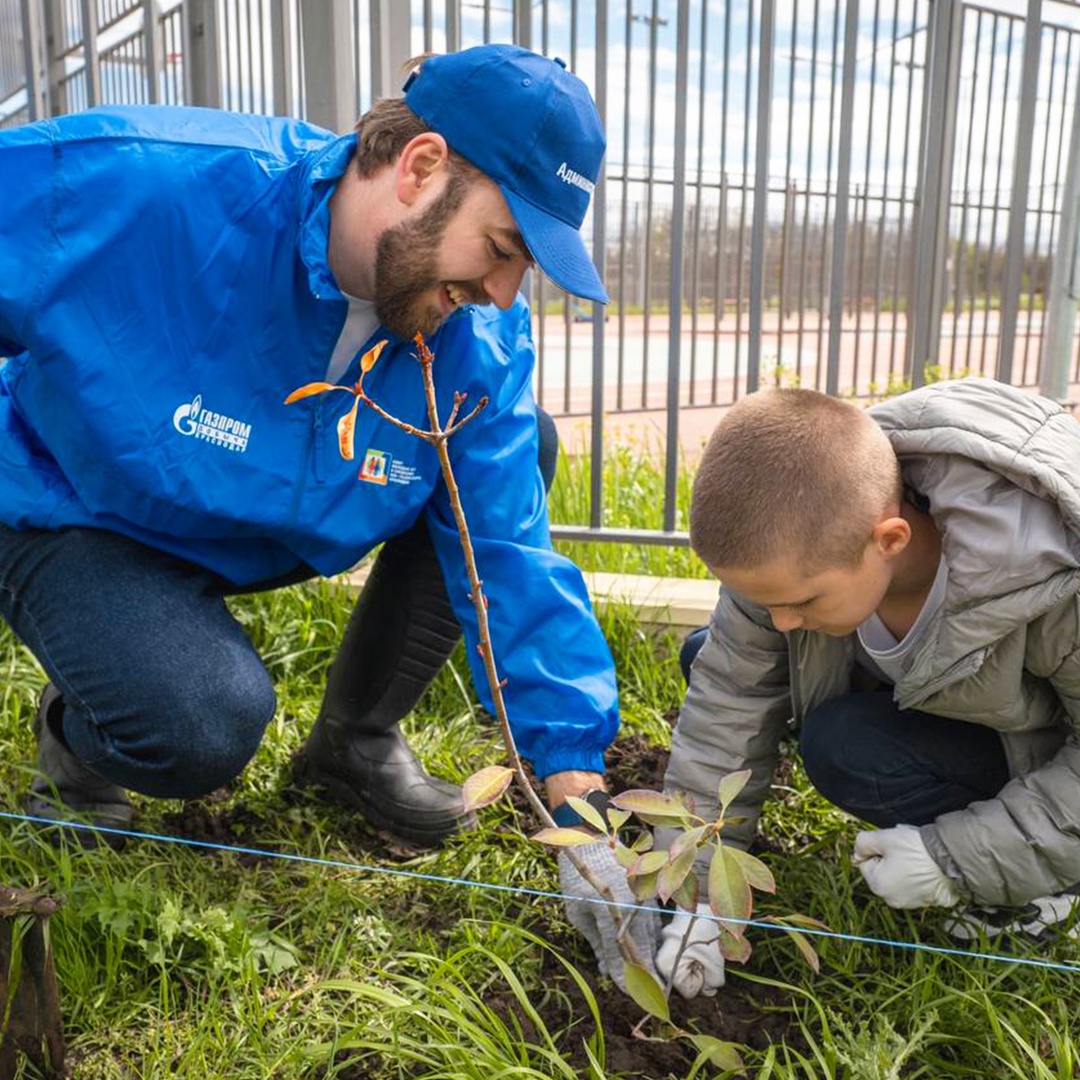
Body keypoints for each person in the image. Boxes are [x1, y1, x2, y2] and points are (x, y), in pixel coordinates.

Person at [0, 43, 654, 986]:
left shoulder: (474, 341)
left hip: (261, 526)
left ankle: (352, 747)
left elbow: (504, 554)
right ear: (420, 166)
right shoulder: (141, 186)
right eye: (503, 249)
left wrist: (578, 802)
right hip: (77, 508)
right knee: (201, 727)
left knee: (527, 445)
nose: (505, 294)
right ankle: (81, 733)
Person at [656, 378, 1080, 998]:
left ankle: (1049, 891)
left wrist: (952, 858)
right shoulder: (805, 524)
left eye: (801, 601)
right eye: (765, 602)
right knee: (708, 653)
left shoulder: (1051, 579)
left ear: (889, 540)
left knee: (846, 748)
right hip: (964, 709)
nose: (781, 621)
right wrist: (700, 896)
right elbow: (728, 700)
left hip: (1050, 754)